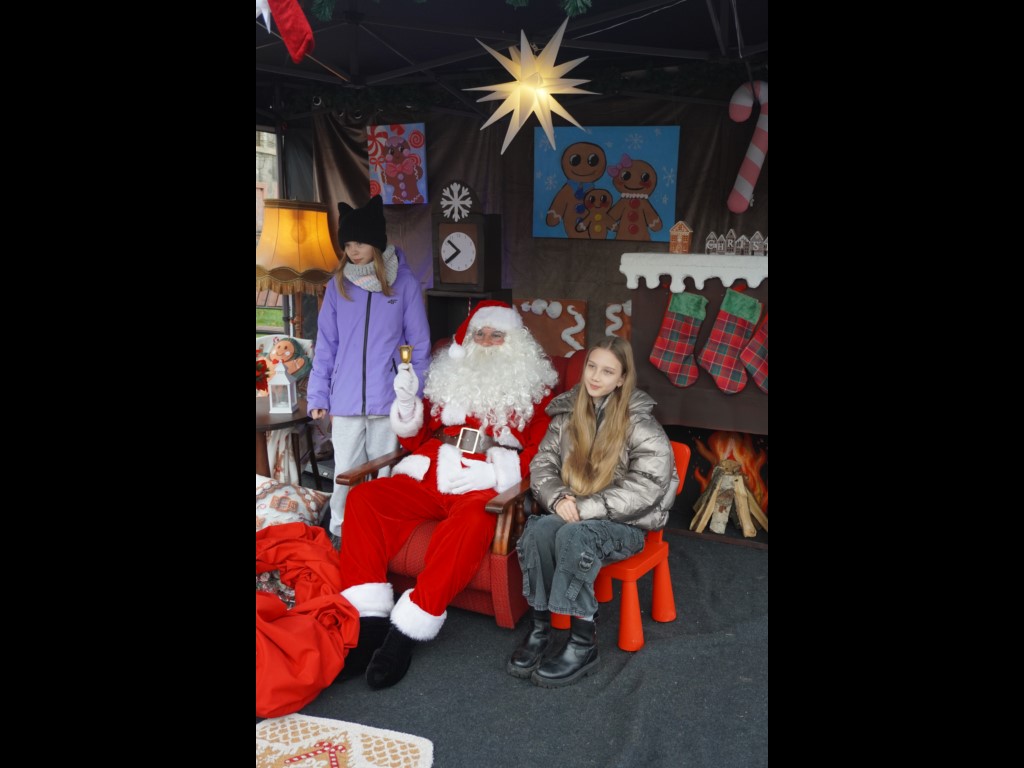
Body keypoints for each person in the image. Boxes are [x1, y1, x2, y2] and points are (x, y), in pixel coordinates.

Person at [337, 301, 559, 689]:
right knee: (364, 498)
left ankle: (405, 633)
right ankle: (369, 622)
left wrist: (497, 473)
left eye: (496, 335)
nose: (486, 341)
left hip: (483, 480)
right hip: (429, 469)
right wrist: (407, 405)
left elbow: (543, 452)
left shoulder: (534, 389)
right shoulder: (449, 378)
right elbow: (414, 438)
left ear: (515, 343)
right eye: (479, 334)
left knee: (474, 520)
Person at [508, 336, 678, 688]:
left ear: (622, 378)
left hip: (625, 524)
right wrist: (558, 499)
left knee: (574, 535)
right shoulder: (567, 413)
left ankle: (583, 643)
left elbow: (647, 486)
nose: (596, 377)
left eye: (608, 371)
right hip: (574, 511)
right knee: (538, 530)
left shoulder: (641, 424)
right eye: (592, 366)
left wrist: (585, 508)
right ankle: (540, 629)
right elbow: (543, 463)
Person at [307, 195, 430, 546]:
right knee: (345, 475)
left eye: (359, 243)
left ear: (376, 242)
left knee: (383, 475)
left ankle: (381, 539)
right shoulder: (338, 286)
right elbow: (326, 345)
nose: (353, 251)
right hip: (345, 401)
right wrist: (318, 395)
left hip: (387, 399)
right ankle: (340, 537)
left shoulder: (404, 284)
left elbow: (419, 345)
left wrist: (415, 396)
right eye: (347, 245)